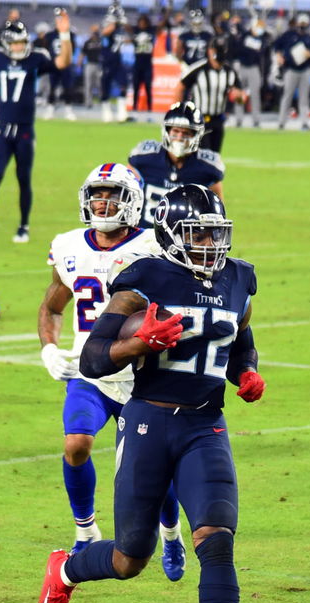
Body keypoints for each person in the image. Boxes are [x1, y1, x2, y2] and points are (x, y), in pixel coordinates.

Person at [38, 183, 265, 603]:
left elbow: (239, 337)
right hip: (149, 423)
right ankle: (64, 571)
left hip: (205, 428)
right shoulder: (144, 280)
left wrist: (247, 372)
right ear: (172, 235)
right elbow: (94, 358)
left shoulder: (237, 278)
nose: (212, 243)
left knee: (216, 537)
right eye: (200, 233)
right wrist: (143, 343)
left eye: (217, 232)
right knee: (128, 558)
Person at [39, 163, 187, 579]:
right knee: (76, 444)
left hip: (143, 376)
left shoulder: (156, 247)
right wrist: (49, 347)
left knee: (151, 469)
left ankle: (171, 534)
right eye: (97, 194)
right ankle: (85, 530)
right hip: (92, 372)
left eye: (113, 195)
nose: (103, 203)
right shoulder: (68, 246)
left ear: (134, 200)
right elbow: (52, 304)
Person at [0, 7, 71, 243]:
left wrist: (65, 35)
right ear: (8, 43)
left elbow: (63, 62)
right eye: (16, 43)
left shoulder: (36, 58)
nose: (19, 46)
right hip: (2, 128)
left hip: (25, 131)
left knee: (23, 178)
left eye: (22, 42)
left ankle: (23, 225)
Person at [128, 101, 225, 228]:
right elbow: (125, 196)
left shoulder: (208, 168)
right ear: (167, 131)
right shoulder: (144, 158)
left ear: (197, 135)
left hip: (184, 240)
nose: (179, 137)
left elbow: (217, 213)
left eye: (186, 133)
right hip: (145, 235)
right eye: (176, 131)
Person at [178, 39, 245, 153]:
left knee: (215, 156)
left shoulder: (230, 72)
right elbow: (180, 87)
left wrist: (238, 97)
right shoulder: (198, 69)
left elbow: (241, 99)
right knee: (204, 154)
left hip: (218, 120)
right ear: (210, 51)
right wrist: (180, 112)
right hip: (199, 119)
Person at [274, 13, 310, 130]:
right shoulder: (289, 35)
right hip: (291, 69)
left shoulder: (309, 37)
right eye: (301, 23)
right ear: (297, 23)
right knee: (287, 95)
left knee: (304, 97)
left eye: (304, 23)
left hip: (305, 69)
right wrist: (279, 56)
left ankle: (304, 123)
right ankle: (281, 122)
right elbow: (276, 45)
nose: (302, 25)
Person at [233, 15, 268, 127]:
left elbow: (261, 54)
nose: (260, 29)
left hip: (254, 68)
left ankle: (256, 120)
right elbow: (238, 49)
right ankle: (239, 118)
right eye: (258, 26)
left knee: (255, 94)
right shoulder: (245, 35)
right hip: (243, 67)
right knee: (240, 94)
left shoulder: (262, 39)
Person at [131, 14, 154, 112]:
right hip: (138, 62)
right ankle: (134, 107)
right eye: (140, 22)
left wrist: (168, 11)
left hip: (147, 63)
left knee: (148, 86)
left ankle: (149, 108)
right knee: (136, 86)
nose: (142, 24)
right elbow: (126, 27)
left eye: (143, 22)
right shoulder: (135, 31)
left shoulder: (151, 31)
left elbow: (162, 25)